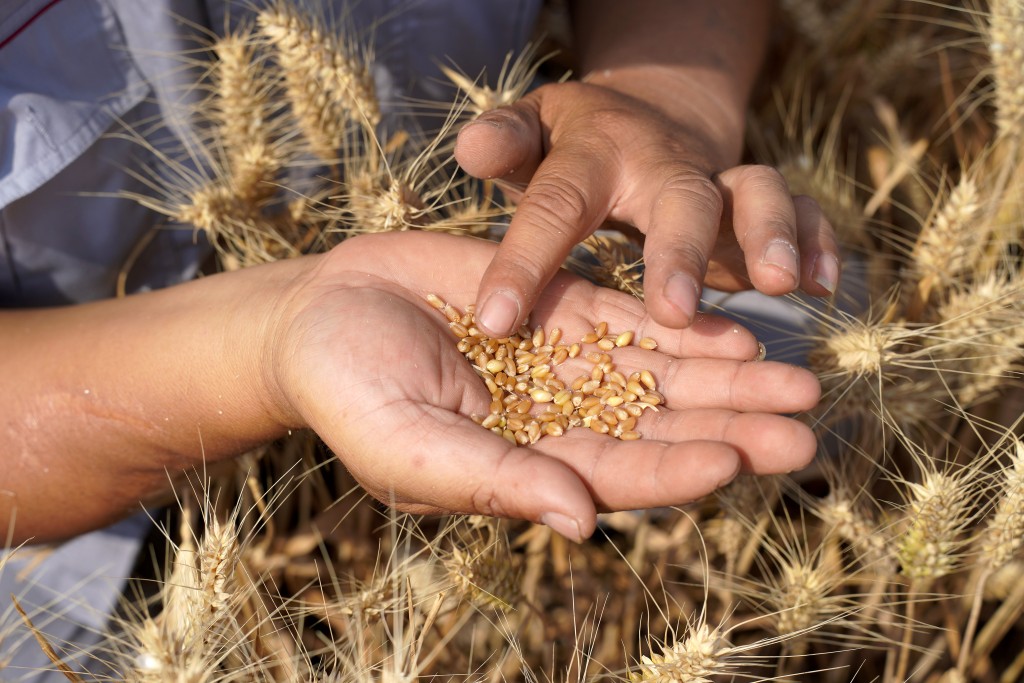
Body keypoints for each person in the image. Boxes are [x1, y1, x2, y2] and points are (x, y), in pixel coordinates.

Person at [0, 0, 834, 550]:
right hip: (84, 566)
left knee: (808, 348)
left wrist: (665, 103)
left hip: (557, 275)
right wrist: (269, 342)